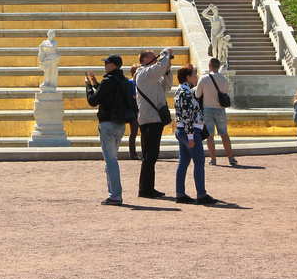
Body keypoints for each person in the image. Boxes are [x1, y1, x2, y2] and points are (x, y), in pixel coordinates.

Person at [86, 54, 133, 206]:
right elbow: (111, 95)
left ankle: (115, 195)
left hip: (107, 123)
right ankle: (113, 193)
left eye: (106, 63)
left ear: (112, 65)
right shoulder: (125, 81)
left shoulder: (108, 81)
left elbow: (93, 101)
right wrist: (96, 84)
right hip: (121, 123)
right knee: (112, 159)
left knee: (110, 161)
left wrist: (88, 87)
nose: (105, 65)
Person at [133, 48, 174, 198]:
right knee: (150, 155)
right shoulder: (143, 74)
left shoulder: (151, 77)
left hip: (154, 119)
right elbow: (159, 67)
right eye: (153, 57)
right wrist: (165, 53)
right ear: (145, 60)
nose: (156, 60)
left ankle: (148, 187)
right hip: (150, 119)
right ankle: (145, 189)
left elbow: (166, 87)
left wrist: (168, 71)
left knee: (152, 155)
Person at [174, 64, 216, 204]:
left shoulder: (180, 91)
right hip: (189, 131)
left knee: (183, 162)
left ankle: (180, 193)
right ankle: (201, 194)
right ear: (188, 77)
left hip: (182, 130)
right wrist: (191, 136)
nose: (195, 77)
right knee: (199, 162)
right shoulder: (185, 93)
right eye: (193, 75)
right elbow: (188, 117)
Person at [197, 58, 237, 167]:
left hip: (207, 108)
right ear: (218, 66)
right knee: (224, 134)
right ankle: (231, 157)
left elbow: (197, 95)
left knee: (210, 135)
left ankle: (213, 159)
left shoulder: (203, 79)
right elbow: (226, 92)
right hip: (220, 109)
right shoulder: (224, 79)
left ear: (209, 66)